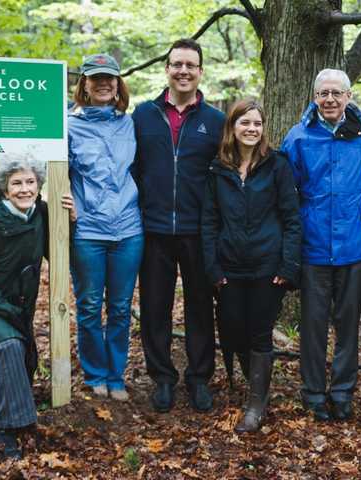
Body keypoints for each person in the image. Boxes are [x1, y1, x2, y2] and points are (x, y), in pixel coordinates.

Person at [281, 69, 361, 422]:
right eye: (323, 93)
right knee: (312, 326)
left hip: (354, 246)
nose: (329, 99)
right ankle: (313, 392)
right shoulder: (298, 137)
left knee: (346, 325)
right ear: (314, 97)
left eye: (336, 93)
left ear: (348, 97)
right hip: (312, 248)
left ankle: (342, 392)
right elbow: (283, 191)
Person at [0, 156, 74, 459]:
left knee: (24, 368)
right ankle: (4, 429)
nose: (24, 189)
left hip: (15, 304)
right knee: (10, 346)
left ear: (39, 185)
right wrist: (8, 311)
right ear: (4, 190)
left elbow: (59, 253)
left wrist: (69, 223)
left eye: (30, 182)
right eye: (17, 183)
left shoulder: (41, 214)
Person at [133, 39, 225, 413]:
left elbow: (239, 165)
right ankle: (163, 379)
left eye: (190, 64)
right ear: (166, 69)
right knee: (155, 307)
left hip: (199, 230)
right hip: (153, 229)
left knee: (201, 307)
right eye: (176, 64)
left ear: (201, 71)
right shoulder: (142, 115)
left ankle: (199, 378)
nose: (183, 70)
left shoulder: (217, 121)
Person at [201, 100, 301, 432]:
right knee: (232, 328)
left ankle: (256, 403)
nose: (252, 129)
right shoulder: (218, 169)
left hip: (266, 267)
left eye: (257, 124)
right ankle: (253, 383)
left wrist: (288, 267)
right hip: (229, 267)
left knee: (259, 333)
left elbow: (291, 219)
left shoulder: (277, 166)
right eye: (245, 122)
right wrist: (213, 269)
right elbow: (209, 222)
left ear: (263, 129)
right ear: (233, 127)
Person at [68, 53, 143, 401]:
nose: (103, 83)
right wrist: (65, 202)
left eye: (109, 78)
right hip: (88, 231)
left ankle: (115, 375)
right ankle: (94, 373)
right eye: (95, 78)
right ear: (84, 83)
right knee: (88, 306)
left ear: (117, 84)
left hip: (129, 229)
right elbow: (56, 174)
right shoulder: (67, 125)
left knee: (120, 306)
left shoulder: (130, 123)